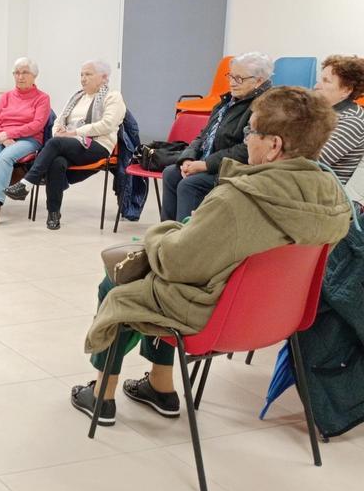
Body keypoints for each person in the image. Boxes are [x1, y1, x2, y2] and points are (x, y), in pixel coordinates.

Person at [70, 87, 352, 425]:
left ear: (274, 145)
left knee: (121, 281)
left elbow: (178, 262)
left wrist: (162, 231)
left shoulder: (238, 200)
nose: (247, 139)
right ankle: (160, 386)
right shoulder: (333, 197)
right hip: (276, 316)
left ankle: (102, 394)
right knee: (161, 279)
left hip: (214, 316)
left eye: (253, 131)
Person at [3, 60, 126, 230]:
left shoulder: (113, 97)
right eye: (81, 74)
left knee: (55, 144)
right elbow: (58, 121)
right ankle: (53, 214)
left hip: (97, 146)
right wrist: (59, 132)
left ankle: (27, 183)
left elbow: (107, 124)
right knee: (56, 162)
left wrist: (74, 133)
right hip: (70, 144)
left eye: (88, 74)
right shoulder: (77, 96)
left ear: (104, 77)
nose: (83, 78)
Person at [161, 51, 272, 222]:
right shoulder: (227, 101)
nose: (232, 83)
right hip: (210, 163)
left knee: (189, 184)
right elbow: (203, 134)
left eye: (239, 79)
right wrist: (187, 158)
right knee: (171, 173)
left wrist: (205, 164)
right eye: (231, 76)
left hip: (235, 169)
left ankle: (185, 242)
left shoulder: (264, 105)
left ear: (258, 81)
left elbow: (245, 150)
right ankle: (166, 236)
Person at [0, 57, 51, 224]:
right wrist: (0, 135)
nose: (20, 76)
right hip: (2, 137)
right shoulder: (7, 96)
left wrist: (9, 133)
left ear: (34, 76)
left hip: (29, 139)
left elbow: (37, 125)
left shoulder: (42, 98)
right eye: (16, 73)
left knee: (5, 158)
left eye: (24, 72)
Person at [314, 54, 364, 182]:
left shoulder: (352, 120)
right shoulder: (323, 111)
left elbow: (313, 161)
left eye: (326, 81)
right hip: (306, 182)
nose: (316, 86)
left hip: (322, 194)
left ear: (346, 90)